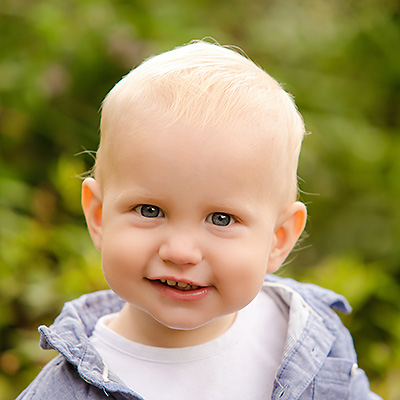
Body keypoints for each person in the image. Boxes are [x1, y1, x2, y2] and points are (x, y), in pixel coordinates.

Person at [17, 40, 381, 400]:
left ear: (278, 238)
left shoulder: (309, 337)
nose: (181, 252)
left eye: (221, 218)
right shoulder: (64, 392)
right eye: (149, 211)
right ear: (98, 216)